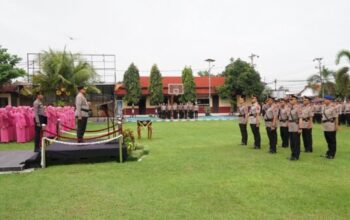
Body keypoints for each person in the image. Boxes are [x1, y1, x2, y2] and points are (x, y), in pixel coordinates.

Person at [287, 95, 302, 161]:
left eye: (292, 99)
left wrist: (300, 128)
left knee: (296, 142)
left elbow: (300, 118)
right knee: (292, 142)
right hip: (291, 126)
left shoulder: (298, 107)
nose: (290, 100)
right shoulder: (290, 108)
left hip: (296, 126)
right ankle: (292, 154)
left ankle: (296, 156)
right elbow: (289, 118)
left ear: (296, 100)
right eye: (290, 99)